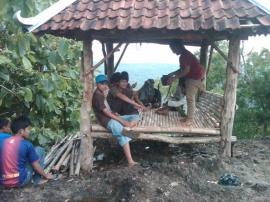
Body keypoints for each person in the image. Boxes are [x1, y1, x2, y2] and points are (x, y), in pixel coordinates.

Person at [92, 74, 139, 167]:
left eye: (106, 83)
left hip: (111, 116)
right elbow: (107, 114)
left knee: (134, 116)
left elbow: (108, 110)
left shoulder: (101, 93)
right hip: (107, 121)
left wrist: (114, 113)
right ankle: (130, 161)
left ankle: (129, 130)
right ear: (97, 84)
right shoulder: (98, 96)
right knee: (123, 134)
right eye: (102, 84)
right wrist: (121, 121)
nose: (105, 86)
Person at [0, 116, 53, 187]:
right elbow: (36, 166)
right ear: (21, 131)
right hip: (19, 182)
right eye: (28, 129)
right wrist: (46, 175)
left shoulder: (3, 142)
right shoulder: (27, 144)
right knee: (39, 150)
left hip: (3, 181)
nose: (29, 131)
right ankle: (37, 180)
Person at [166, 40, 205, 126]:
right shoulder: (184, 55)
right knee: (189, 98)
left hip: (194, 78)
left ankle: (190, 119)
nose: (173, 51)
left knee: (190, 98)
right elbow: (182, 69)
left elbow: (186, 71)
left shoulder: (185, 56)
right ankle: (188, 117)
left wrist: (174, 78)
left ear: (178, 47)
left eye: (173, 49)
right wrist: (172, 74)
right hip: (193, 78)